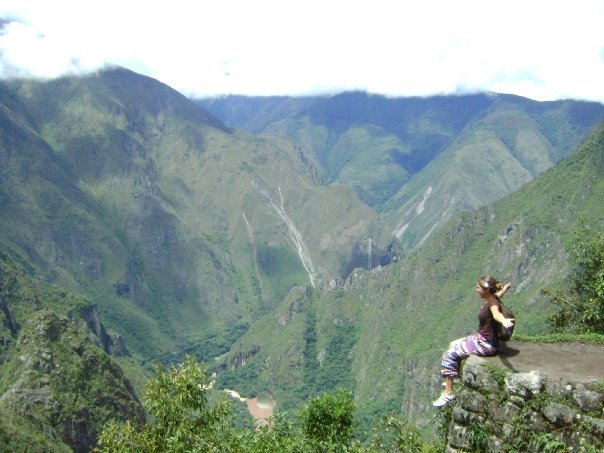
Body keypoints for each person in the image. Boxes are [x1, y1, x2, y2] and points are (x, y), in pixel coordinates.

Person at [432, 276, 514, 407]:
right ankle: (453, 378)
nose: (476, 290)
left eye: (478, 288)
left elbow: (496, 313)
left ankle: (448, 393)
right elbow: (498, 295)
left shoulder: (492, 304)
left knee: (449, 355)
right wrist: (504, 289)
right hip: (480, 338)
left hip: (486, 344)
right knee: (453, 344)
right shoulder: (491, 298)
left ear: (486, 290)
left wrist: (504, 320)